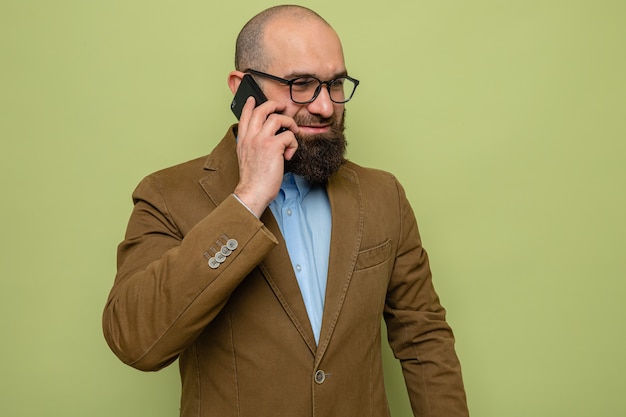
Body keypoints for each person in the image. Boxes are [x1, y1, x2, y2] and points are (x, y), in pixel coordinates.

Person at [103, 5, 469, 417]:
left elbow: (425, 341)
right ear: (243, 89)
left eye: (334, 84)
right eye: (301, 84)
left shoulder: (383, 195)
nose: (326, 106)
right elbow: (135, 341)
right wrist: (248, 200)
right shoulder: (166, 196)